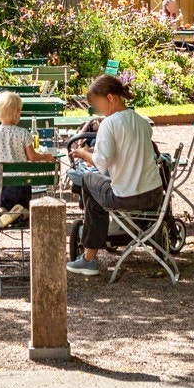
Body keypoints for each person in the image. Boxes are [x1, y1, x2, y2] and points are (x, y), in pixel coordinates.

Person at [66, 75, 164, 277]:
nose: (97, 111)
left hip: (128, 197)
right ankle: (113, 236)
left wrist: (84, 153)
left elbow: (100, 163)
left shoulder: (109, 124)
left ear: (110, 98)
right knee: (98, 187)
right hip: (154, 195)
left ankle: (89, 258)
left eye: (96, 105)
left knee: (88, 180)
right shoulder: (142, 121)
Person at [0, 91, 55, 236]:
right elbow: (33, 157)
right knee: (26, 210)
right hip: (22, 183)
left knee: (4, 207)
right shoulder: (23, 133)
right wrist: (46, 156)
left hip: (1, 183)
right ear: (17, 114)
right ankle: (20, 213)